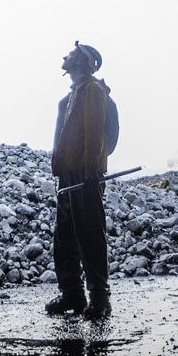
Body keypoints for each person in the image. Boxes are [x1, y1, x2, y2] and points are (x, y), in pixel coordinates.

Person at [45, 41, 119, 320]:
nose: (66, 55)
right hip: (67, 175)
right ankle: (72, 294)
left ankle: (100, 297)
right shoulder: (70, 97)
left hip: (84, 175)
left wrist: (90, 170)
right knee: (64, 237)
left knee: (89, 234)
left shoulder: (92, 91)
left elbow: (95, 134)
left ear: (83, 62)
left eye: (73, 53)